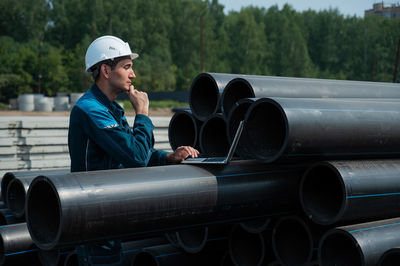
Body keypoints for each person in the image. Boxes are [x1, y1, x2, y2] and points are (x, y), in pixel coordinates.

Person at [68, 35, 199, 265]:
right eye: (127, 67)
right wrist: (142, 113)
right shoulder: (90, 110)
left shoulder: (111, 109)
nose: (133, 75)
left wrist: (169, 156)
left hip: (109, 214)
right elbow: (136, 158)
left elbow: (135, 151)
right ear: (106, 71)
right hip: (95, 221)